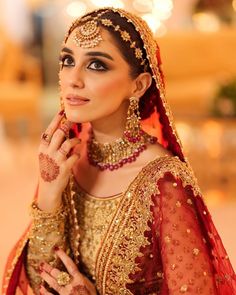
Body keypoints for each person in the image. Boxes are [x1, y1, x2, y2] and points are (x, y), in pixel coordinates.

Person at [2, 7, 235, 295]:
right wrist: (49, 194)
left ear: (139, 85)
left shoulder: (163, 183)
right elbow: (40, 280)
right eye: (67, 60)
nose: (73, 79)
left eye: (97, 65)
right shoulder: (68, 160)